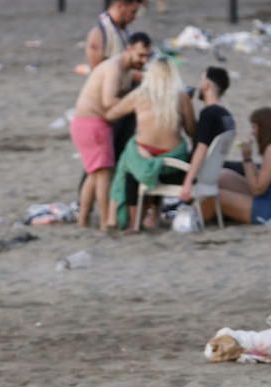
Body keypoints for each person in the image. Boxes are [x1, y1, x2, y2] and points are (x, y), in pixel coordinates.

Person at [71, 33, 152, 229]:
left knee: (94, 174)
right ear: (129, 49)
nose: (144, 60)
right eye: (141, 55)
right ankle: (107, 221)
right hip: (93, 124)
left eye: (147, 56)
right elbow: (109, 102)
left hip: (85, 123)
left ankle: (83, 220)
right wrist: (137, 104)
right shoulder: (114, 68)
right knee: (105, 174)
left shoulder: (125, 69)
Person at [105, 57, 195, 230]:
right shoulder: (182, 98)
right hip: (174, 169)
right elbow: (192, 131)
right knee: (158, 158)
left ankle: (129, 220)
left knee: (130, 155)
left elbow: (111, 114)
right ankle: (154, 214)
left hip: (142, 168)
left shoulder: (139, 96)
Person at [216, 107, 271, 225]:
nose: (252, 132)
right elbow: (261, 182)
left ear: (264, 128)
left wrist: (247, 158)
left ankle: (195, 221)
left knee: (216, 196)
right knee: (224, 176)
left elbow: (257, 190)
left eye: (254, 127)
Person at [178, 66, 235, 204]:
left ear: (207, 85)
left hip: (195, 173)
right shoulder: (226, 116)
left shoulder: (208, 114)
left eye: (201, 80)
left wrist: (188, 182)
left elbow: (201, 149)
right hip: (212, 173)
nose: (199, 85)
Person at [85, 0, 143, 69]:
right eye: (133, 12)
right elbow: (97, 71)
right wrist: (133, 75)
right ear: (120, 6)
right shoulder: (99, 33)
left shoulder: (122, 29)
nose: (134, 17)